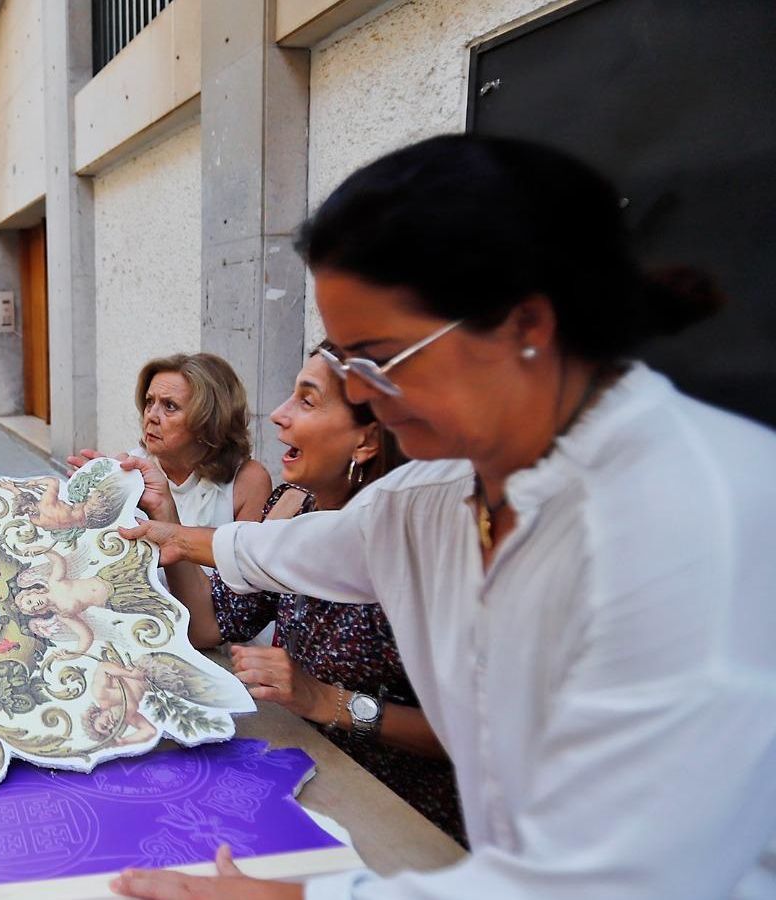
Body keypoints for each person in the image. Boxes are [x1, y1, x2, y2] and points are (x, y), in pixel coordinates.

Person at [112, 135, 776, 899]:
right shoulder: (435, 495)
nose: (364, 396)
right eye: (349, 367)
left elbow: (612, 880)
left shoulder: (699, 519)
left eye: (379, 359)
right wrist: (168, 533)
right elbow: (296, 549)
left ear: (527, 326)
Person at [124, 343, 465, 843]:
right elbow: (210, 625)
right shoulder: (295, 507)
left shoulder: (426, 544)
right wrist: (167, 518)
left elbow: (474, 733)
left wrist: (327, 701)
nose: (278, 415)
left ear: (367, 440)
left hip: (397, 812)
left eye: (307, 400)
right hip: (299, 763)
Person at [70, 352, 274, 550]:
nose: (151, 416)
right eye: (150, 402)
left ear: (209, 421)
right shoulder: (130, 469)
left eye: (170, 406)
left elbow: (244, 568)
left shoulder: (248, 481)